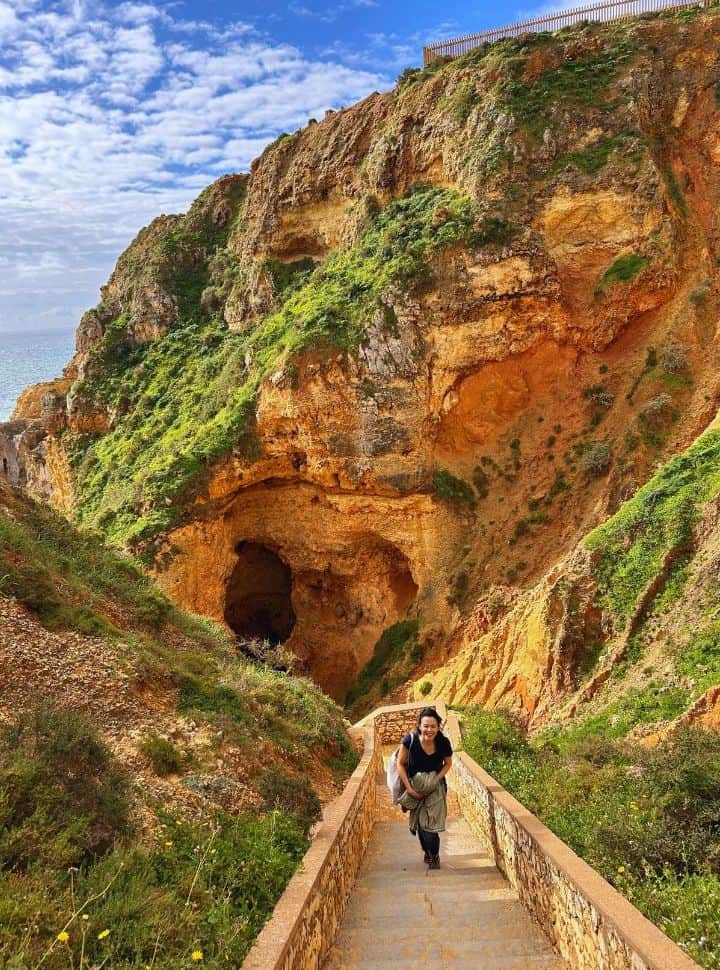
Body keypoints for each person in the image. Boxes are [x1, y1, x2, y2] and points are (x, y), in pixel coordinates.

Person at [396, 707, 453, 869]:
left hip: (436, 789)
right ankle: (427, 852)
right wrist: (410, 789)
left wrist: (435, 780)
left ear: (438, 727)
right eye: (426, 726)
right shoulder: (410, 741)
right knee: (421, 825)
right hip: (415, 787)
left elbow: (448, 764)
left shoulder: (443, 743)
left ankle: (434, 855)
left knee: (430, 827)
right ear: (419, 726)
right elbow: (400, 764)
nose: (429, 730)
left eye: (433, 726)